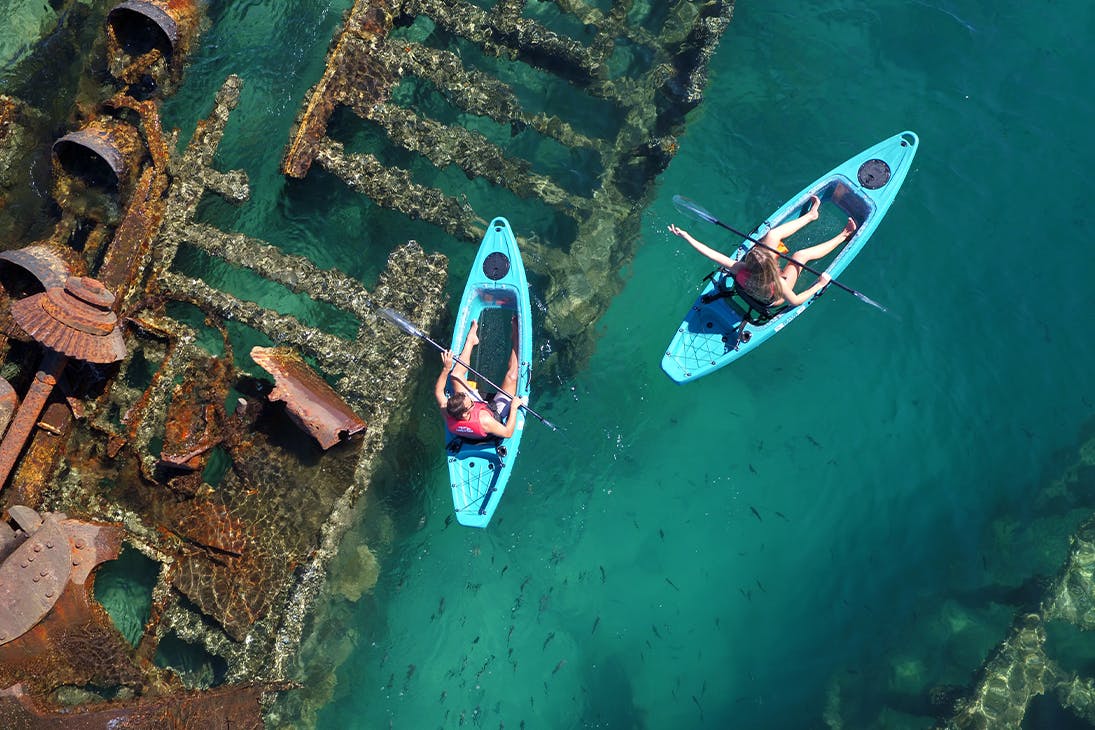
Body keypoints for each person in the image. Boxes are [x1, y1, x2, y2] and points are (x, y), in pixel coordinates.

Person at [668, 194, 857, 308]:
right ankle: (844, 235)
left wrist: (687, 237)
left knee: (773, 235)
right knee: (800, 256)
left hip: (753, 286)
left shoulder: (740, 268)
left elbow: (711, 253)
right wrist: (819, 284)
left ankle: (811, 216)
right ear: (772, 265)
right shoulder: (778, 283)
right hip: (773, 298)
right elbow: (795, 301)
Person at [435, 318, 527, 441]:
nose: (472, 400)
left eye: (466, 397)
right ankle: (516, 339)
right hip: (494, 413)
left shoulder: (447, 411)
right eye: (471, 403)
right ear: (465, 413)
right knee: (512, 376)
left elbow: (438, 391)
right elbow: (507, 433)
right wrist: (514, 407)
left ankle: (471, 340)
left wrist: (446, 369)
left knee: (455, 374)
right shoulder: (485, 420)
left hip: (475, 413)